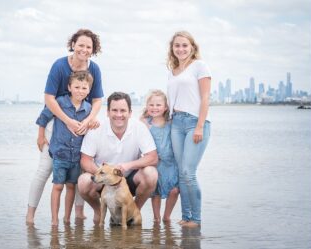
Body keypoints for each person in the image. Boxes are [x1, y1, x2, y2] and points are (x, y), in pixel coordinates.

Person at [26, 28, 103, 224]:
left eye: (88, 46)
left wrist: (88, 121)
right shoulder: (59, 66)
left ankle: (77, 214)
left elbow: (97, 100)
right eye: (81, 45)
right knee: (45, 169)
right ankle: (30, 214)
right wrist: (62, 123)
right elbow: (49, 99)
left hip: (81, 122)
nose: (84, 49)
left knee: (79, 171)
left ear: (93, 49)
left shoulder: (94, 69)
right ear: (73, 45)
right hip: (57, 121)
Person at [77, 92, 159, 224]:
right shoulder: (96, 129)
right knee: (83, 182)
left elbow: (153, 157)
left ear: (130, 113)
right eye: (114, 110)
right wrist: (105, 174)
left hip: (130, 179)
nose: (119, 115)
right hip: (103, 181)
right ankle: (99, 212)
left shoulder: (139, 127)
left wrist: (128, 165)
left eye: (123, 110)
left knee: (151, 174)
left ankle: (133, 212)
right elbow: (85, 160)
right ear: (107, 112)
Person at [166, 31, 212, 227]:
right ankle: (186, 217)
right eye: (177, 45)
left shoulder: (200, 66)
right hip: (175, 123)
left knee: (188, 172)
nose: (181, 49)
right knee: (180, 172)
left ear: (192, 47)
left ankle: (197, 219)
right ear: (172, 48)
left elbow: (205, 98)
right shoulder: (172, 71)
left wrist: (200, 126)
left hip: (195, 122)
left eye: (185, 45)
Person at [49, 70, 93, 226]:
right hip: (60, 153)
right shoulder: (60, 103)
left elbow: (91, 127)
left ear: (89, 90)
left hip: (76, 157)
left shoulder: (88, 108)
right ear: (69, 87)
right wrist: (41, 135)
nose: (80, 91)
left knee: (71, 187)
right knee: (58, 186)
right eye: (77, 87)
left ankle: (67, 219)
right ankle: (54, 220)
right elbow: (44, 116)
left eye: (84, 88)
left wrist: (94, 124)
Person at [140, 90, 179, 224]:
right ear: (147, 106)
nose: (154, 108)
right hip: (155, 163)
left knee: (174, 190)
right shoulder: (145, 123)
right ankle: (156, 218)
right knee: (155, 192)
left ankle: (167, 216)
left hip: (170, 163)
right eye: (151, 105)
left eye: (158, 105)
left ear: (165, 107)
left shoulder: (170, 122)